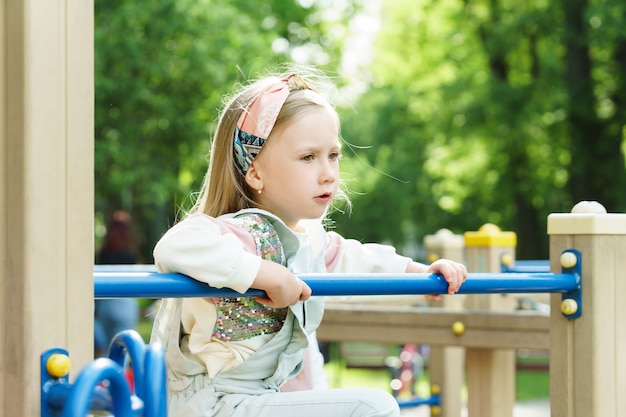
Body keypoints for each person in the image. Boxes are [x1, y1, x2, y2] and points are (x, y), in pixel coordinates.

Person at [150, 68, 467, 417]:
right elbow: (173, 246)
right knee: (370, 407)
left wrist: (421, 273)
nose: (328, 172)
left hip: (255, 398)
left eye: (333, 155)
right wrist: (264, 273)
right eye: (307, 157)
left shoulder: (308, 242)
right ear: (255, 172)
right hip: (210, 403)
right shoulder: (240, 234)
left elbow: (357, 260)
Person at [95, 210, 140, 357]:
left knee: (106, 350)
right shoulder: (129, 254)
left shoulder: (103, 254)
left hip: (105, 304)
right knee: (123, 350)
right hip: (124, 303)